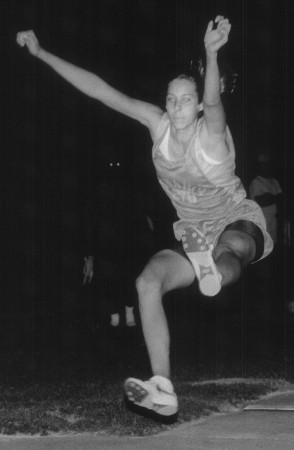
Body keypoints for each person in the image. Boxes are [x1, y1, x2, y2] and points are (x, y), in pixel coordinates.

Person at [17, 15, 273, 422]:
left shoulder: (212, 134)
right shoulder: (158, 126)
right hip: (192, 231)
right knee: (147, 282)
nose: (176, 106)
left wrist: (210, 53)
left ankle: (214, 274)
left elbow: (213, 103)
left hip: (234, 219)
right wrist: (42, 53)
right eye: (171, 99)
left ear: (197, 103)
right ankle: (163, 387)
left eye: (185, 99)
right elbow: (102, 91)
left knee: (231, 250)